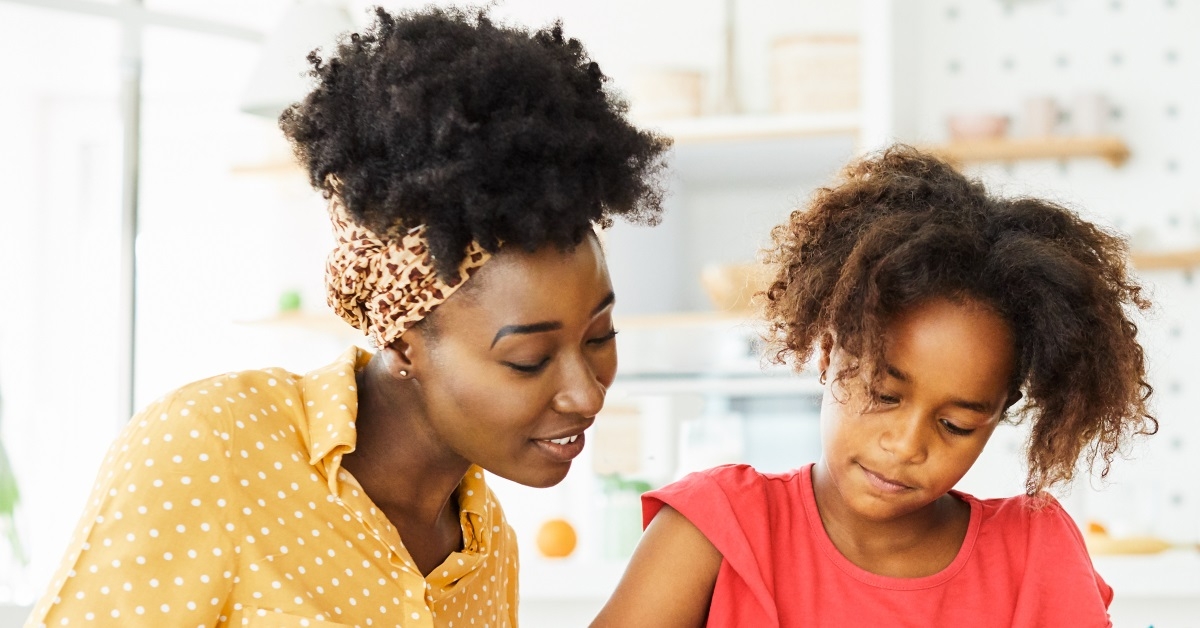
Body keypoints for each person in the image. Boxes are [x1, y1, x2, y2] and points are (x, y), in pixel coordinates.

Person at [26, 7, 668, 627]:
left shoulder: (486, 544)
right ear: (404, 344)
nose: (587, 394)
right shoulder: (214, 447)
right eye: (528, 360)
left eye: (600, 336)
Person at [593, 146, 1155, 627]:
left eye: (956, 424)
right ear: (828, 352)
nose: (907, 445)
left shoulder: (1034, 554)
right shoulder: (715, 531)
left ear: (999, 412)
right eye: (884, 395)